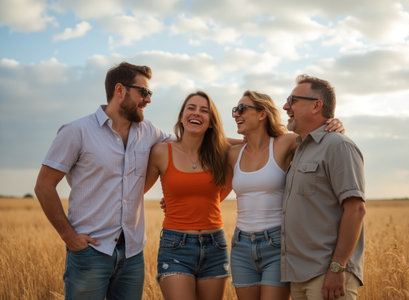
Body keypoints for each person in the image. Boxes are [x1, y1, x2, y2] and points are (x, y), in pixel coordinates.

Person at [34, 62, 173, 299]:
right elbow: (44, 186)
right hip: (90, 255)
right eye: (144, 92)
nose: (148, 99)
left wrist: (247, 143)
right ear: (120, 90)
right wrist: (69, 237)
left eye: (150, 93)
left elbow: (189, 145)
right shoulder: (76, 131)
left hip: (132, 256)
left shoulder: (149, 131)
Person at [227, 91, 344, 300]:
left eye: (242, 109)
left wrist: (334, 126)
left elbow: (319, 140)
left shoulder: (285, 143)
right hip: (241, 246)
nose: (236, 114)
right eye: (235, 110)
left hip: (277, 245)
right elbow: (204, 143)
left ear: (262, 113)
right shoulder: (233, 153)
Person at [281, 74, 366, 300]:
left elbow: (356, 210)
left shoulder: (339, 146)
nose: (285, 106)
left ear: (316, 105)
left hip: (328, 276)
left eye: (293, 100)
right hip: (299, 277)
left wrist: (337, 268)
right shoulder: (300, 149)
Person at [144, 91, 233, 300]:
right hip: (176, 246)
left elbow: (253, 143)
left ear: (211, 122)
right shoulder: (161, 152)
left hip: (215, 244)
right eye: (191, 108)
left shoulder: (220, 153)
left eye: (204, 111)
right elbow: (135, 191)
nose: (196, 113)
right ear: (182, 115)